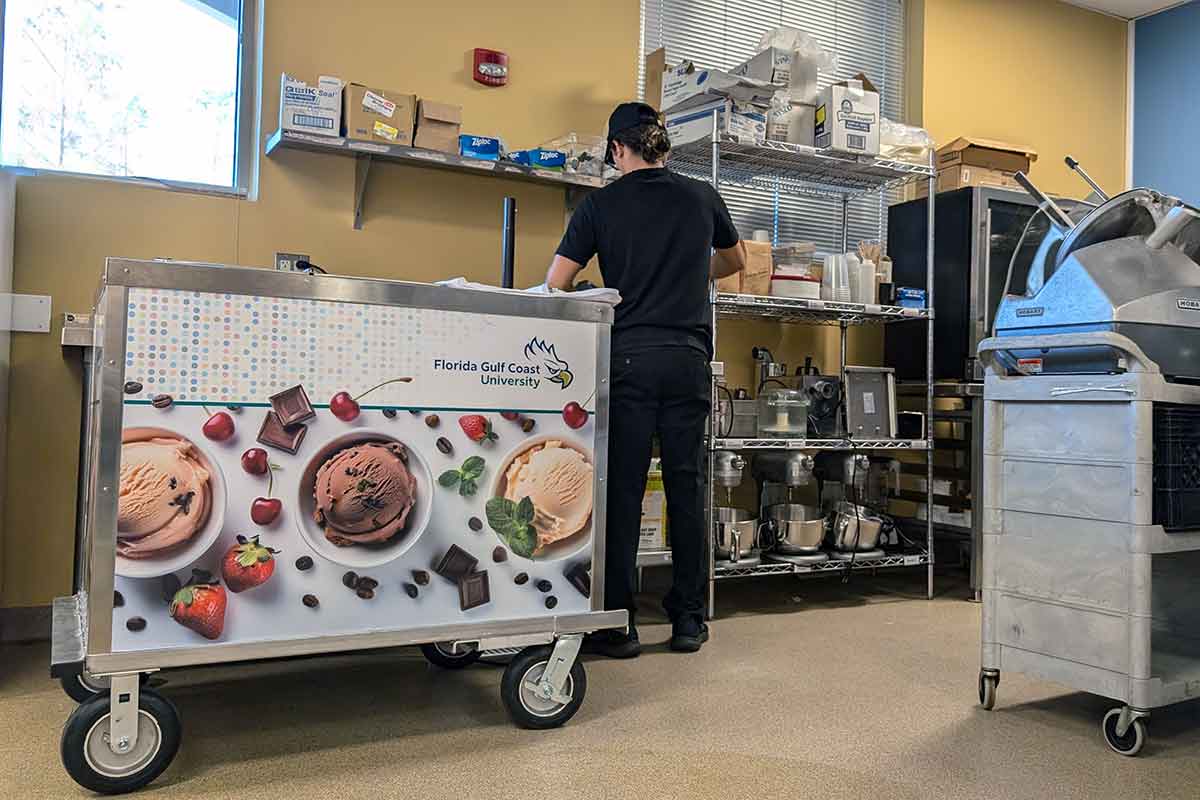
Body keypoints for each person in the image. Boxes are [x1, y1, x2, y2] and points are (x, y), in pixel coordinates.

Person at [546, 102, 746, 656]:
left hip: (629, 358)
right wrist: (686, 268)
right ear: (664, 145)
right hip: (687, 360)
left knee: (624, 490)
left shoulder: (599, 205)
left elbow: (556, 283)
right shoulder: (701, 196)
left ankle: (619, 625)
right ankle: (687, 622)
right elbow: (736, 261)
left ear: (617, 149)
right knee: (687, 486)